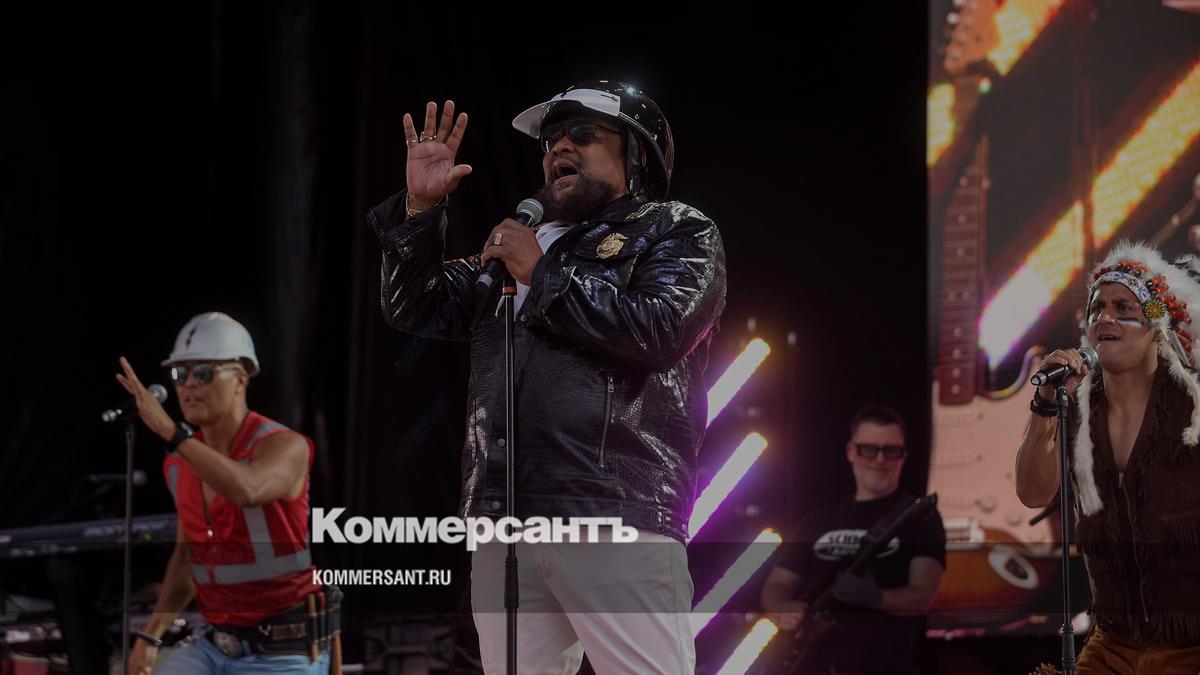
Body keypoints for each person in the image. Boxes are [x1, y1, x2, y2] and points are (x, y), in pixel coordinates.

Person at [367, 81, 726, 674]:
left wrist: (543, 273)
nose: (560, 146)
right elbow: (415, 306)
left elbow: (661, 328)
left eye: (583, 134)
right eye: (552, 138)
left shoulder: (677, 230)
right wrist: (422, 211)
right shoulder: (521, 245)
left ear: (639, 154)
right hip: (505, 519)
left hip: (613, 513)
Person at [1015, 241, 1200, 673]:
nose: (1105, 318)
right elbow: (1032, 492)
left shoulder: (1192, 404)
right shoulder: (1076, 406)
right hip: (1113, 643)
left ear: (1156, 325)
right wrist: (1045, 403)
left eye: (1123, 307)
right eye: (1097, 308)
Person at [116, 312, 333, 675]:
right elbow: (187, 557)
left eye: (203, 372)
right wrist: (151, 635)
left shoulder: (285, 445)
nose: (188, 384)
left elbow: (249, 489)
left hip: (284, 650)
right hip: (214, 645)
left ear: (241, 378)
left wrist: (171, 432)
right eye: (180, 374)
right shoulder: (179, 464)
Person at [761, 405, 946, 675]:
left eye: (890, 451)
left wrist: (876, 598)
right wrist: (782, 609)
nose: (879, 460)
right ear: (850, 451)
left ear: (903, 456)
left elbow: (922, 597)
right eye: (868, 449)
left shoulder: (918, 517)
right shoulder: (819, 520)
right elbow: (776, 585)